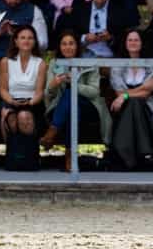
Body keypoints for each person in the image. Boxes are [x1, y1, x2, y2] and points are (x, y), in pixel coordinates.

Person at [42, 30, 110, 173]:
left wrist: (74, 84)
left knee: (70, 93)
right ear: (59, 47)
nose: (68, 47)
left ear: (77, 46)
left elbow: (94, 91)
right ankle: (70, 157)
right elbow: (48, 94)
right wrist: (54, 83)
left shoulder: (89, 62)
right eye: (64, 44)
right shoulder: (55, 63)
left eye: (71, 43)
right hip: (62, 108)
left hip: (89, 107)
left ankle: (52, 132)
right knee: (72, 108)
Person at [108, 29, 153, 171]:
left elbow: (147, 94)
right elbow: (119, 91)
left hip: (147, 106)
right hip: (123, 107)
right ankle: (145, 153)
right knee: (133, 103)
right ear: (125, 43)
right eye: (130, 40)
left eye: (136, 40)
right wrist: (142, 87)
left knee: (135, 103)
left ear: (142, 43)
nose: (133, 43)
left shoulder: (151, 63)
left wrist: (125, 95)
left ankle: (125, 155)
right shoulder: (117, 65)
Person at [0, 24, 46, 172]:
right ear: (16, 41)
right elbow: (3, 89)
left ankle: (29, 158)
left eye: (30, 38)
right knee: (10, 117)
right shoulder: (6, 61)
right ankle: (14, 157)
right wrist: (12, 101)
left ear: (35, 42)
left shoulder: (40, 63)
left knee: (24, 116)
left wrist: (30, 102)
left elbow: (39, 92)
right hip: (11, 100)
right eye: (23, 37)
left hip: (33, 102)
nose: (26, 41)